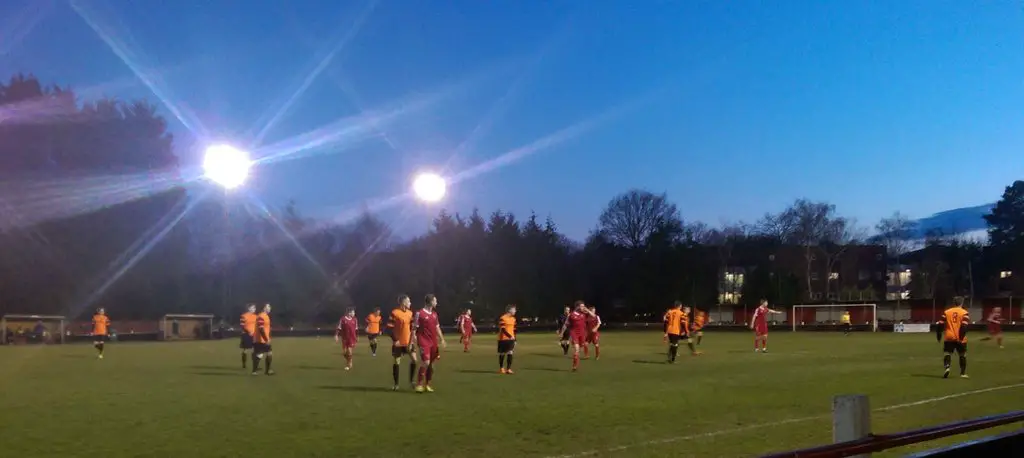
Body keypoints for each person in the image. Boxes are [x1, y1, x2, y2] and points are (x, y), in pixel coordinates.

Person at [411, 294, 446, 393]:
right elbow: (414, 327)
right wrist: (413, 338)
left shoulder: (434, 314)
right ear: (430, 302)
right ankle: (419, 384)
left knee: (431, 364)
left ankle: (427, 384)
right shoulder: (419, 313)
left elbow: (437, 327)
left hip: (433, 342)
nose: (436, 303)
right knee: (426, 362)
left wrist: (442, 339)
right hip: (423, 341)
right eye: (435, 301)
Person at [388, 295, 417, 391]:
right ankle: (396, 384)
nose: (410, 303)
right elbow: (388, 328)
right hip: (398, 343)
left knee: (414, 360)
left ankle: (411, 381)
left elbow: (412, 327)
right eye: (409, 301)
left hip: (408, 342)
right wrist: (395, 340)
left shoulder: (410, 313)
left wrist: (413, 337)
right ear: (403, 303)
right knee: (397, 362)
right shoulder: (395, 313)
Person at [937, 296, 970, 379]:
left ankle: (947, 367)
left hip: (949, 336)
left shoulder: (947, 312)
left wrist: (939, 335)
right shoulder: (964, 313)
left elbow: (940, 324)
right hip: (960, 337)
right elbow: (964, 326)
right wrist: (961, 338)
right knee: (962, 354)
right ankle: (962, 373)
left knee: (947, 353)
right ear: (962, 303)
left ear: (953, 303)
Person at [558, 301, 593, 372]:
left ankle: (575, 362)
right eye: (582, 306)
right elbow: (565, 325)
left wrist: (587, 310)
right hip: (574, 334)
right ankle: (574, 366)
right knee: (576, 349)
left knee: (581, 346)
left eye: (584, 306)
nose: (583, 307)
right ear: (577, 307)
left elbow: (593, 316)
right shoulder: (571, 315)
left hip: (582, 334)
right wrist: (561, 332)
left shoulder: (584, 313)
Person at [251, 304, 274, 376]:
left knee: (260, 354)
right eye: (268, 307)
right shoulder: (261, 316)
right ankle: (267, 371)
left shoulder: (265, 316)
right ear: (264, 308)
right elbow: (261, 329)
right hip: (261, 339)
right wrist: (266, 339)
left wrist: (268, 337)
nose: (270, 308)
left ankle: (255, 371)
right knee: (268, 353)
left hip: (261, 339)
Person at [497, 305, 517, 374]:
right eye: (514, 310)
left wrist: (515, 339)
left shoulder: (513, 319)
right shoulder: (502, 318)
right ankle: (501, 368)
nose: (515, 311)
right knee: (502, 353)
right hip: (503, 339)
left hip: (511, 339)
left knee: (510, 352)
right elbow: (503, 329)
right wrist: (509, 336)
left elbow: (514, 330)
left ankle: (508, 369)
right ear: (510, 310)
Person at [239, 304, 257, 369]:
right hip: (246, 335)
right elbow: (242, 326)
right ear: (249, 308)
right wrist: (248, 332)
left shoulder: (256, 316)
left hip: (254, 335)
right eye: (253, 307)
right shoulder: (243, 316)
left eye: (254, 308)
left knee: (254, 350)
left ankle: (255, 365)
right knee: (245, 350)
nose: (254, 309)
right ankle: (244, 364)